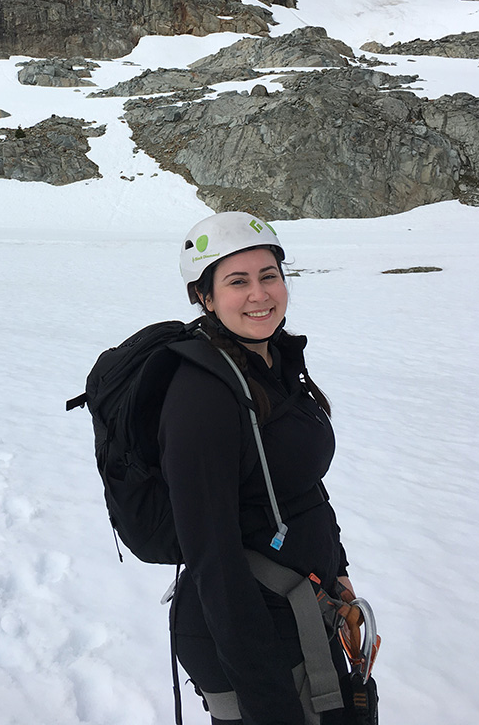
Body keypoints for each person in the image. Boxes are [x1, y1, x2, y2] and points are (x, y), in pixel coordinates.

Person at [160, 211, 358, 725]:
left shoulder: (273, 365)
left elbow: (305, 487)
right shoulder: (203, 396)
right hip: (246, 629)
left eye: (269, 275)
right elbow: (213, 560)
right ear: (204, 297)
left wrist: (337, 572)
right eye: (237, 281)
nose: (259, 294)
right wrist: (268, 705)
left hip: (302, 606)